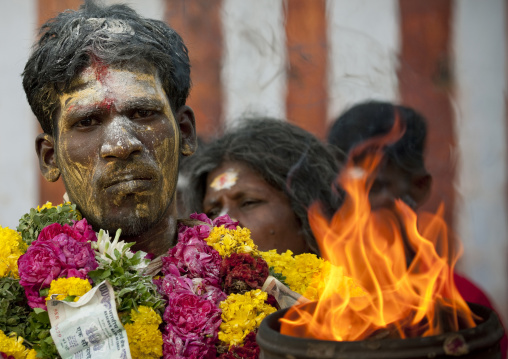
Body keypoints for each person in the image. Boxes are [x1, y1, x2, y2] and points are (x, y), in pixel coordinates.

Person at [327, 100, 507, 355]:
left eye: (374, 188)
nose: (353, 209)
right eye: (342, 191)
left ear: (419, 186)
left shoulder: (464, 302)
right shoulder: (317, 298)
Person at [23, 1, 197, 257]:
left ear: (184, 132)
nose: (122, 145)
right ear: (50, 157)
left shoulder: (256, 290)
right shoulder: (12, 294)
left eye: (143, 113)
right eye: (87, 121)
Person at [183, 118, 342, 255]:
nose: (222, 224)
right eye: (213, 211)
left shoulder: (357, 286)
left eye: (248, 202)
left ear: (310, 212)